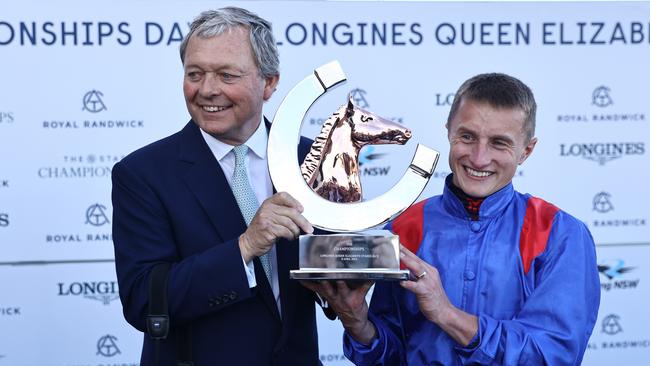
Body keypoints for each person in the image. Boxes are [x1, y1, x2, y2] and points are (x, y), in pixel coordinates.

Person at [303, 73, 601, 365]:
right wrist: (357, 321)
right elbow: (391, 355)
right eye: (467, 137)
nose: (479, 158)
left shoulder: (560, 234)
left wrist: (447, 315)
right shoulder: (404, 227)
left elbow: (553, 355)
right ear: (449, 130)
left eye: (499, 143)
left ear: (527, 150)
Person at [112, 7, 325, 365]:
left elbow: (330, 271)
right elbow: (145, 301)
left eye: (227, 75)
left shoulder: (313, 160)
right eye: (195, 74)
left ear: (269, 82)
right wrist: (245, 246)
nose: (207, 90)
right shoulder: (143, 173)